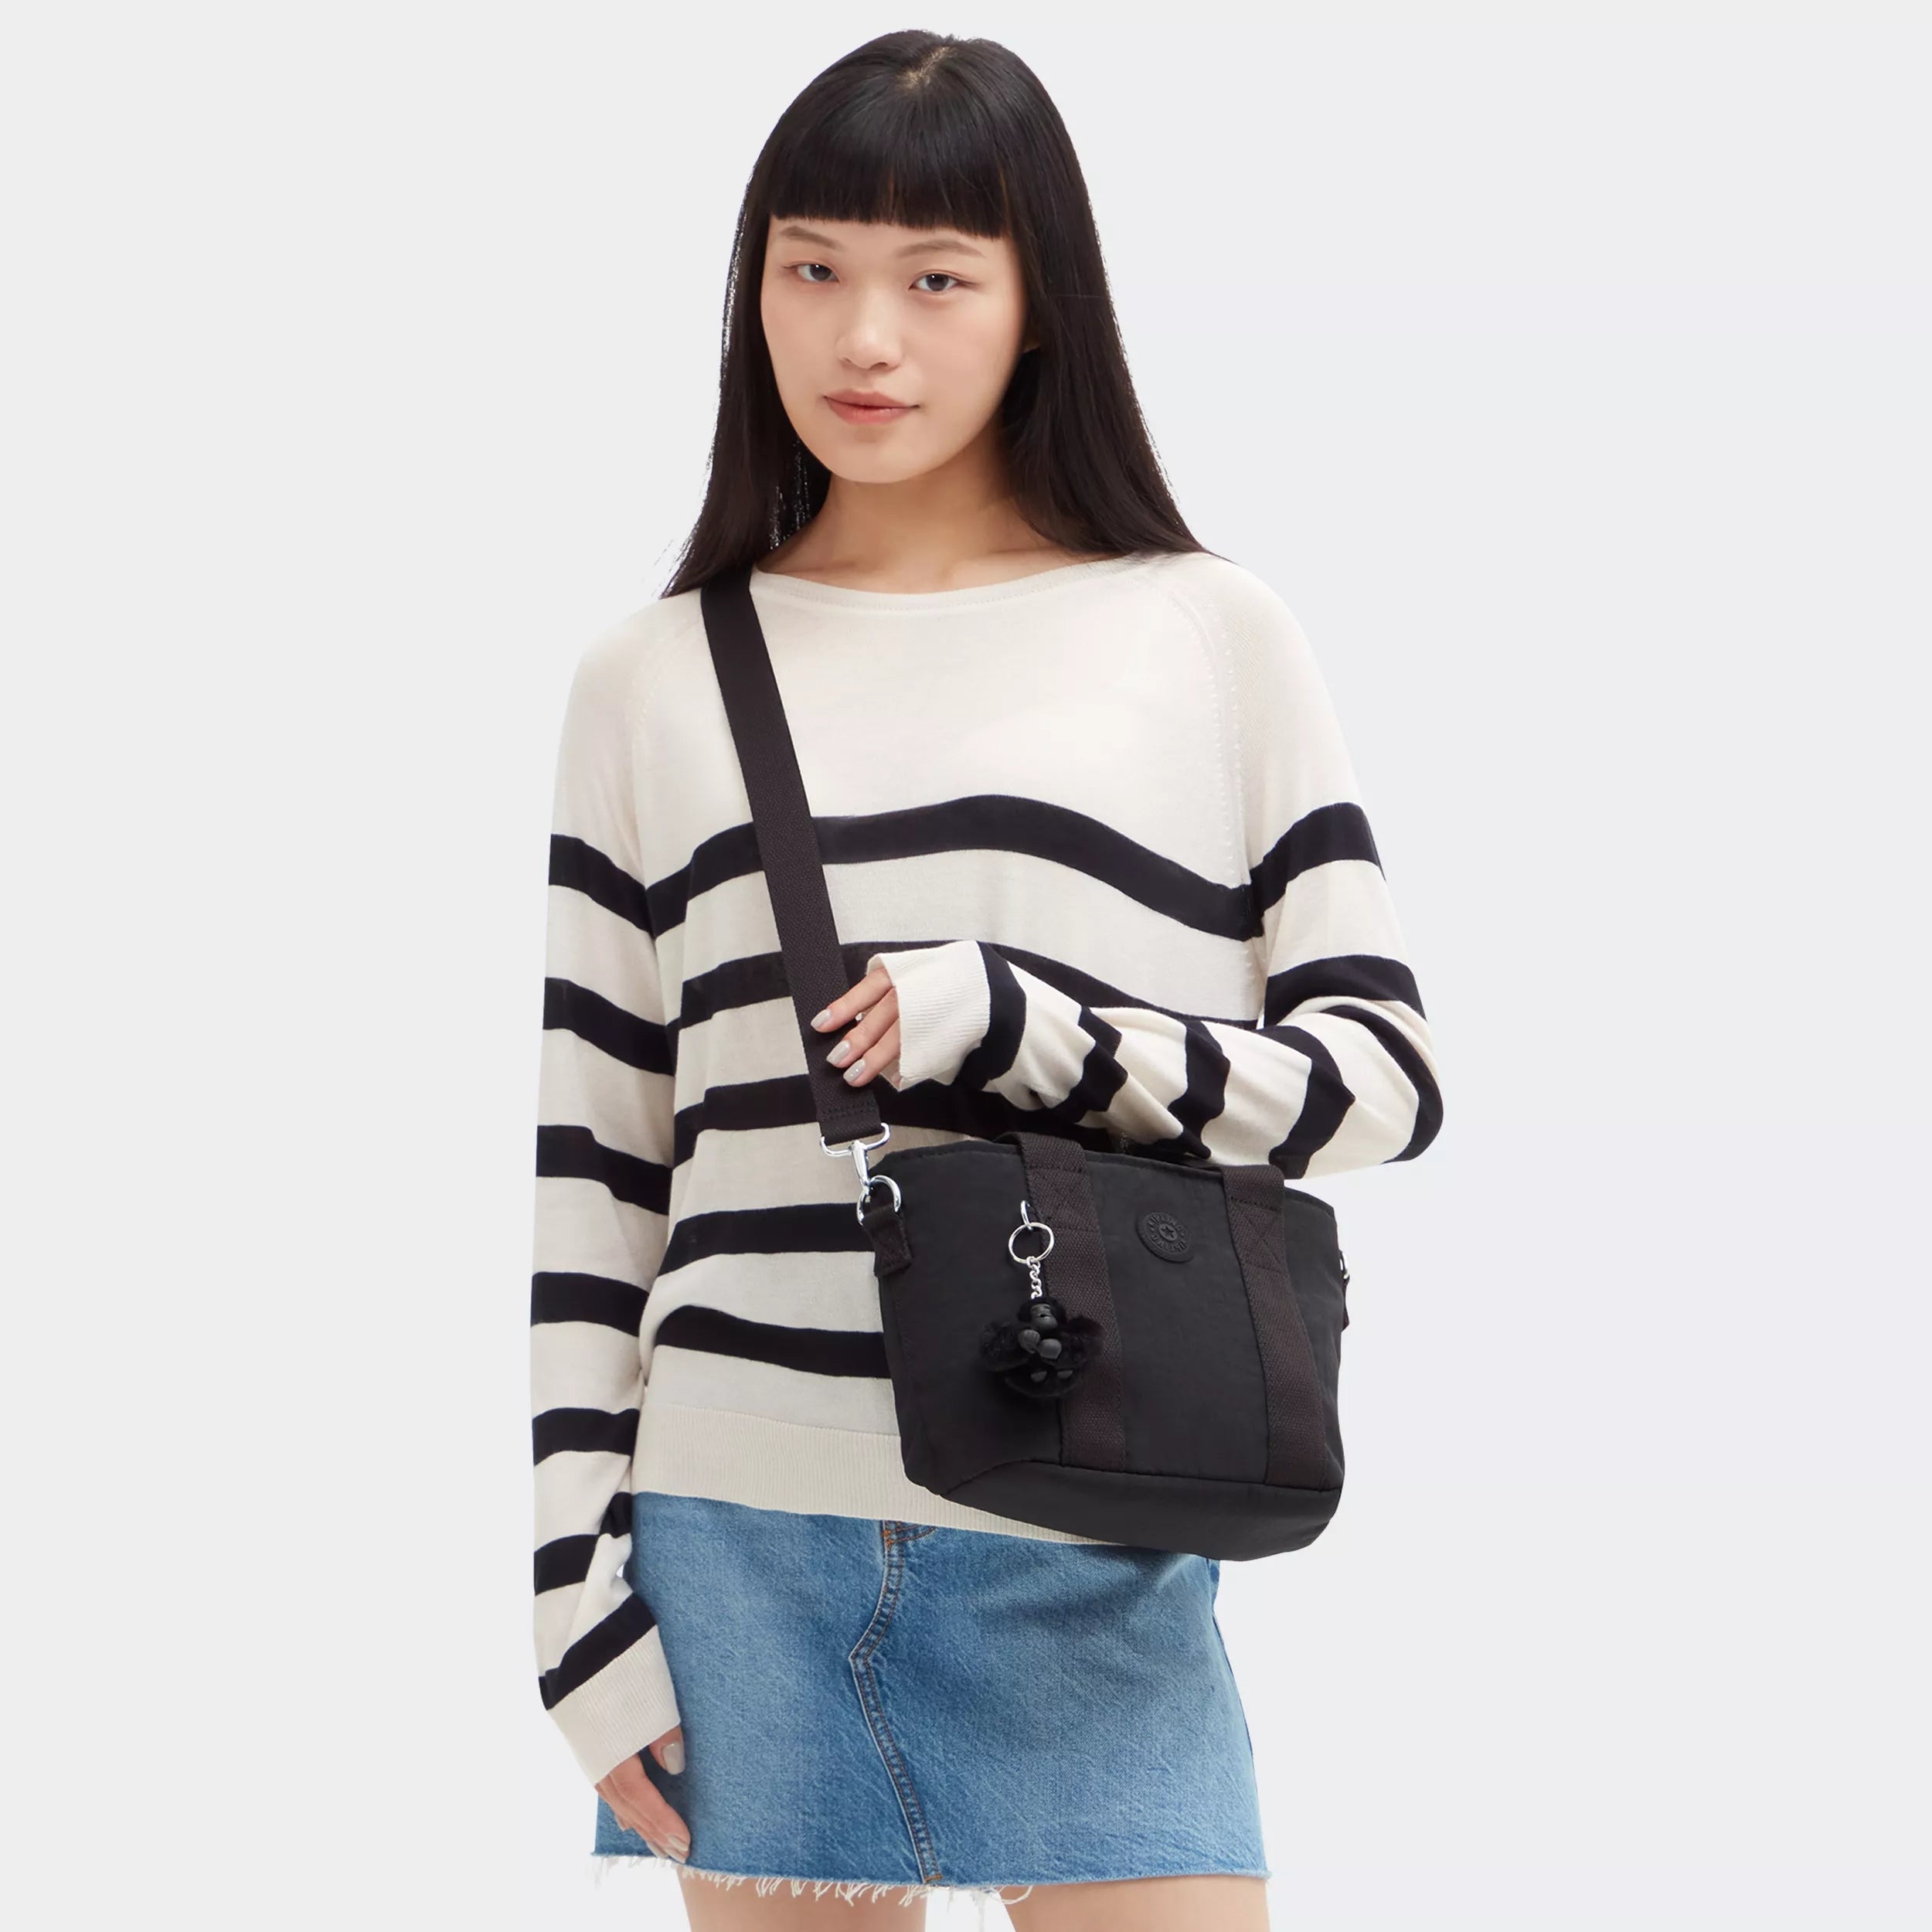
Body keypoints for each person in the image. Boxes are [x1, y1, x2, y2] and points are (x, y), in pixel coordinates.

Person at [529, 27, 1444, 1929]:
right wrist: (572, 1595)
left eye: (936, 278)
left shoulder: (1202, 632)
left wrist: (1024, 1027)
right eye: (812, 267)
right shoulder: (655, 675)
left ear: (1038, 307)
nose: (863, 336)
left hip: (1093, 1507)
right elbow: (598, 1172)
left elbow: (1378, 1080)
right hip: (742, 1523)